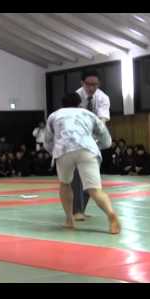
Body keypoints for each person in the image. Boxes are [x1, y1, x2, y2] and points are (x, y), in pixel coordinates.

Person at [44, 92, 120, 234]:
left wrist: (53, 152)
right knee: (95, 190)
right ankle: (110, 214)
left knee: (65, 184)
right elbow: (104, 135)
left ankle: (69, 219)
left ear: (62, 104)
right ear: (79, 103)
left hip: (64, 150)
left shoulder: (54, 115)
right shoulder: (88, 114)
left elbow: (48, 140)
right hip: (87, 149)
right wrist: (103, 146)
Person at [72, 70, 111, 221]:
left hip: (95, 140)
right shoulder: (76, 97)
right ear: (82, 83)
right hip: (76, 139)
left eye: (95, 84)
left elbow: (102, 122)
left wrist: (94, 142)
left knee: (91, 177)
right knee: (77, 177)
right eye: (88, 84)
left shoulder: (103, 98)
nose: (91, 88)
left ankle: (80, 209)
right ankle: (76, 211)